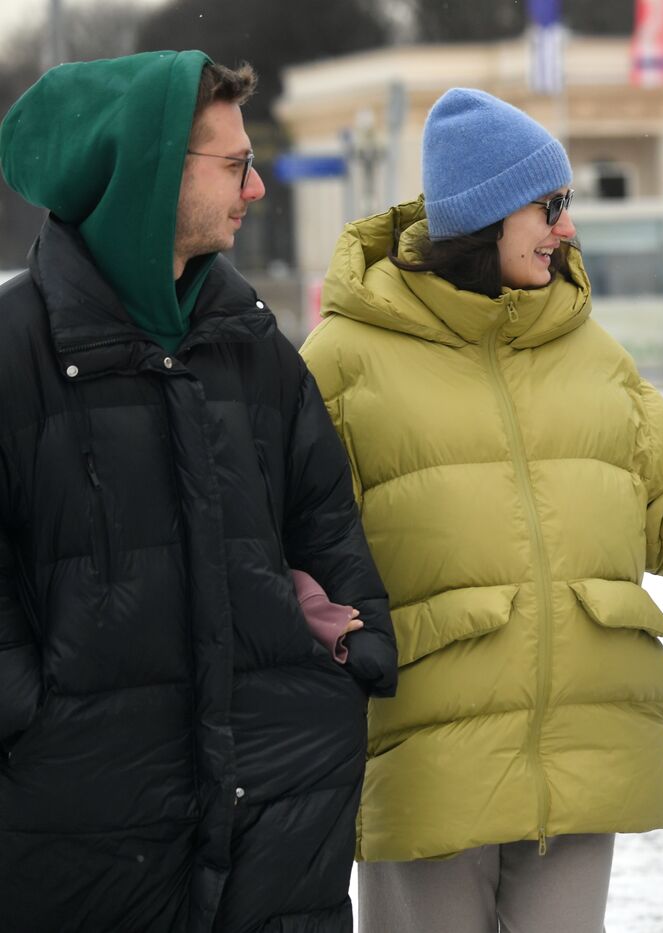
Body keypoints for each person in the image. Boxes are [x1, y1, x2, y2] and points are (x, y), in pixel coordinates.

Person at [300, 88, 663, 932]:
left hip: (583, 756)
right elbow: (299, 556)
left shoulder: (593, 354)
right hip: (428, 768)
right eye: (549, 206)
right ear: (485, 214)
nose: (567, 228)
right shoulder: (342, 362)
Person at [0, 52, 396, 931]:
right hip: (77, 828)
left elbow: (323, 521)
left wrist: (352, 659)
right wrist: (33, 722)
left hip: (277, 804)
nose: (255, 190)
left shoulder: (253, 344)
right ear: (152, 178)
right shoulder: (13, 350)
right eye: (236, 164)